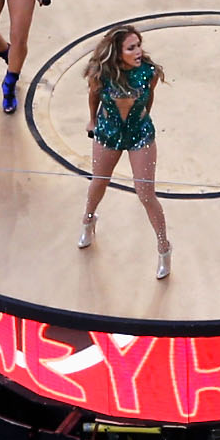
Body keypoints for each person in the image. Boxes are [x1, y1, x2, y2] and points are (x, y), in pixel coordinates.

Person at [76, 23, 171, 280]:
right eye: (132, 47)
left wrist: (143, 119)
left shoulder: (148, 72)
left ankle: (164, 248)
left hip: (139, 134)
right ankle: (88, 220)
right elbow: (93, 97)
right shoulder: (102, 73)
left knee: (146, 193)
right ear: (118, 52)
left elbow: (148, 96)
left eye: (139, 45)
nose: (139, 50)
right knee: (99, 182)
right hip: (108, 131)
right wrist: (92, 121)